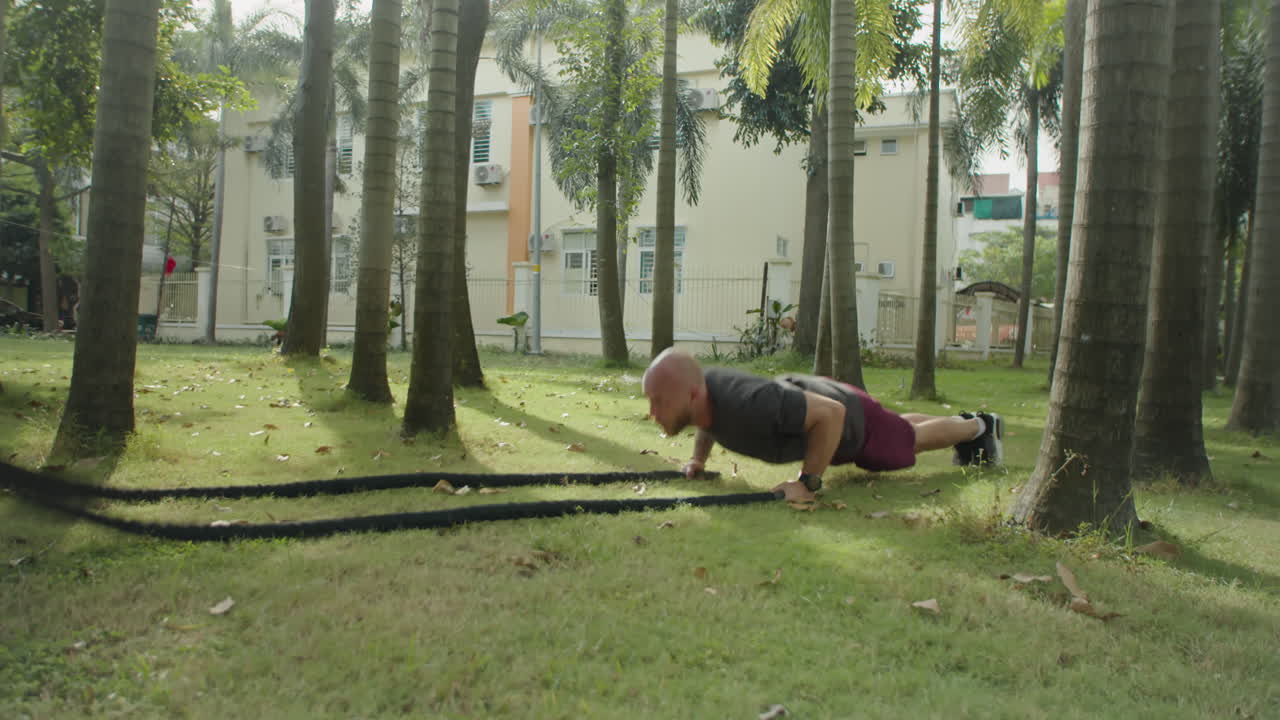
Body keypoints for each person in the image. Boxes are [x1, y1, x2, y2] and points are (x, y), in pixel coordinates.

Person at [641, 348, 1002, 503]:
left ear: (691, 394)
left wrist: (807, 484)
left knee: (907, 441)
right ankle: (971, 425)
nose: (652, 411)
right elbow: (707, 424)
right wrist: (699, 461)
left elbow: (829, 415)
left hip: (843, 417)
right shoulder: (706, 398)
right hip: (825, 398)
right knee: (896, 427)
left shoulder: (749, 403)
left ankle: (979, 427)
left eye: (659, 401)